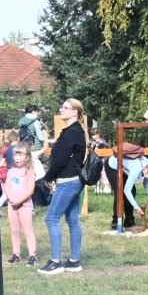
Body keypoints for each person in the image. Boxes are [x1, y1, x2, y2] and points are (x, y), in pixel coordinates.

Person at [38, 97, 88, 275]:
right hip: (74, 181)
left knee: (51, 218)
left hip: (68, 182)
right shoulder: (73, 131)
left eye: (66, 108)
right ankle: (74, 261)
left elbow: (60, 160)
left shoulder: (72, 132)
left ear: (75, 112)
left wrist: (48, 177)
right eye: (62, 107)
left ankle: (55, 262)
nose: (62, 110)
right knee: (73, 220)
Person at [2, 138, 38, 266]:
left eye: (20, 154)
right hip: (12, 206)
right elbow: (7, 187)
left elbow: (30, 190)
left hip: (25, 206)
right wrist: (12, 200)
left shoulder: (29, 172)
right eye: (15, 154)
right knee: (15, 231)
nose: (17, 157)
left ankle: (33, 256)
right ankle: (16, 254)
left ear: (27, 157)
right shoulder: (11, 171)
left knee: (28, 231)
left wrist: (19, 201)